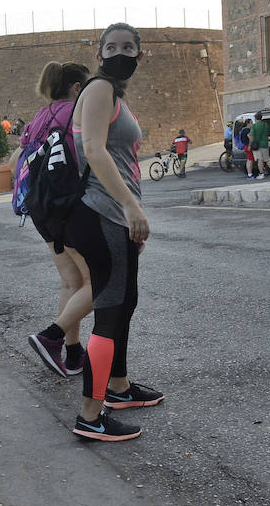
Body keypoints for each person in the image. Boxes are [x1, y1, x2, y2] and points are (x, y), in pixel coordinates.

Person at [27, 25, 164, 442]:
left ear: (140, 55)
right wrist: (130, 206)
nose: (120, 53)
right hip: (102, 213)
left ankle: (118, 389)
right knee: (108, 312)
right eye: (112, 47)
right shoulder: (101, 87)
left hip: (111, 216)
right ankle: (91, 415)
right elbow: (94, 151)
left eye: (128, 47)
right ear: (99, 53)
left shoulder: (112, 93)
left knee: (122, 303)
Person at [22, 60, 92, 379]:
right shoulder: (74, 114)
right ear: (77, 88)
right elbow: (89, 158)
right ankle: (53, 337)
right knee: (100, 282)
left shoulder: (39, 116)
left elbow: (19, 161)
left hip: (42, 209)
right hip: (69, 208)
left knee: (71, 282)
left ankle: (74, 352)